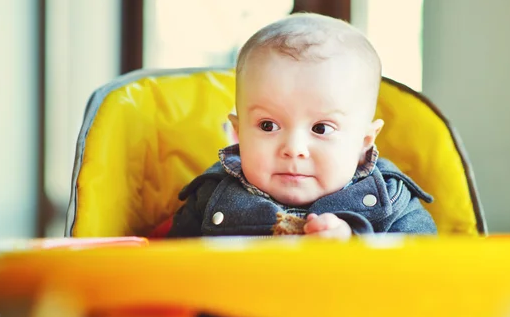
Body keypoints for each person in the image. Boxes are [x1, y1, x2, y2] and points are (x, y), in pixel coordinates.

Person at [167, 13, 436, 239]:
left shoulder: (390, 199)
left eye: (321, 128)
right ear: (238, 133)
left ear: (364, 142)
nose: (294, 149)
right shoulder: (211, 196)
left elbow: (425, 270)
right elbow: (171, 271)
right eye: (268, 125)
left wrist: (356, 244)